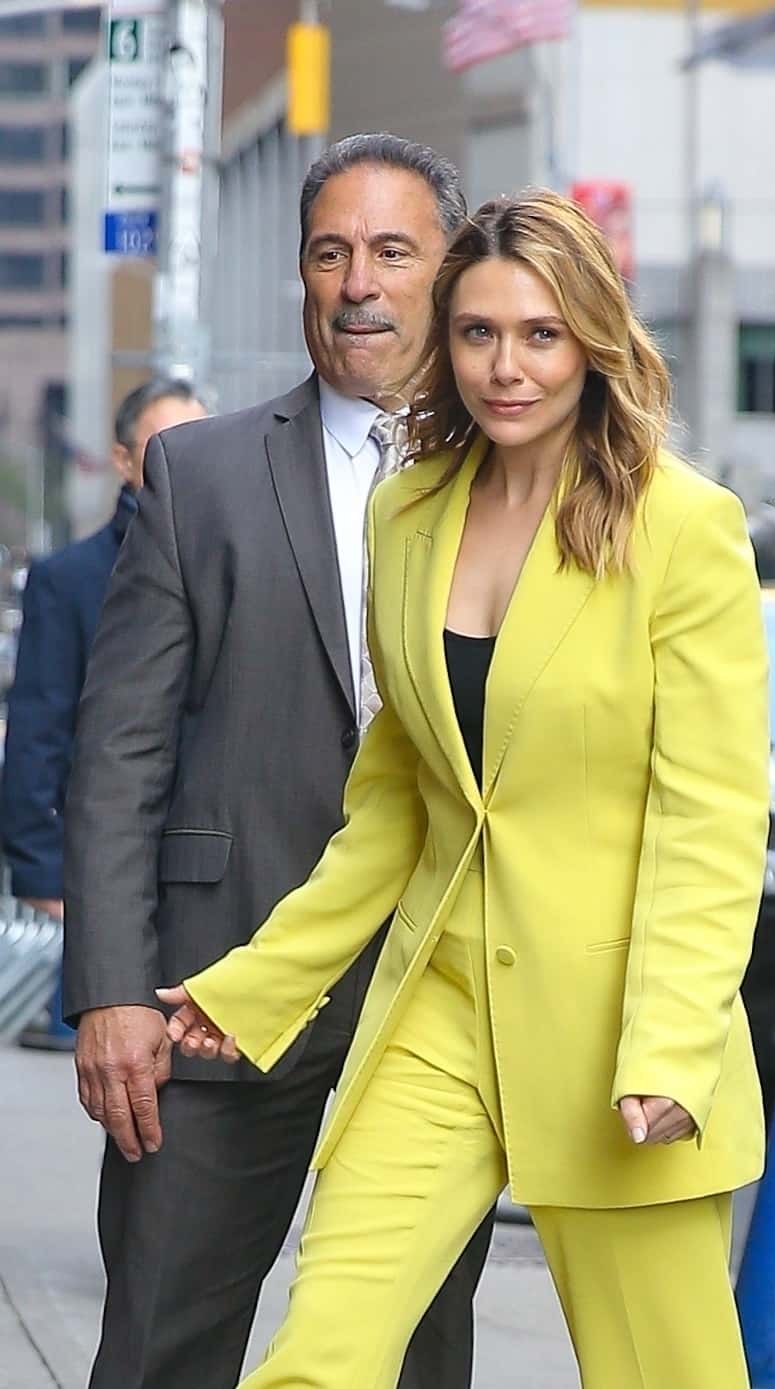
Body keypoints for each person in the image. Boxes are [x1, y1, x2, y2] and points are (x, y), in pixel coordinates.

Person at [159, 188, 771, 1388]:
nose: (507, 367)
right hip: (436, 1010)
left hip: (613, 1031)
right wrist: (261, 983)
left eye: (540, 334)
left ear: (594, 341)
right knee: (318, 1355)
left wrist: (668, 1042)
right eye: (480, 332)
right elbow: (396, 799)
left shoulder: (683, 529)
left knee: (667, 1374)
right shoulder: (410, 512)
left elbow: (706, 820)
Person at [63, 134, 492, 1389]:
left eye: (392, 252)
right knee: (160, 1348)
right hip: (211, 1003)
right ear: (302, 278)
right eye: (330, 252)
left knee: (413, 1358)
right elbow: (117, 751)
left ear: (449, 269)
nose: (358, 282)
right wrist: (111, 989)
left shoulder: (516, 475)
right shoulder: (200, 474)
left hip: (435, 995)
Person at [0, 378, 206, 1051]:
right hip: (105, 869)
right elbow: (38, 730)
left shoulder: (234, 562)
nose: (188, 460)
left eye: (200, 442)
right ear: (124, 460)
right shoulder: (70, 578)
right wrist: (40, 870)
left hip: (208, 869)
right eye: (165, 445)